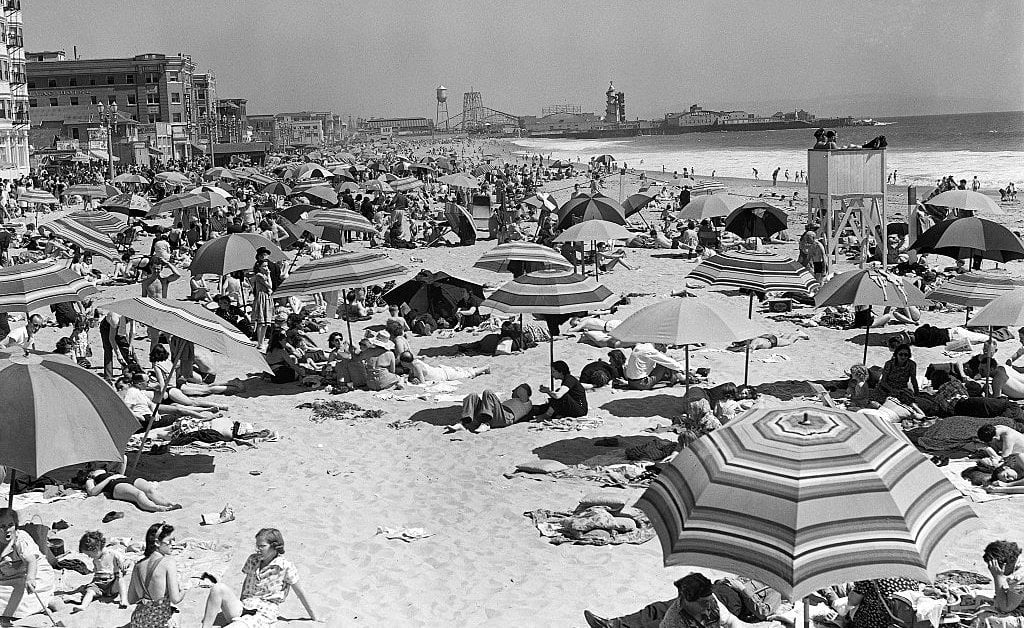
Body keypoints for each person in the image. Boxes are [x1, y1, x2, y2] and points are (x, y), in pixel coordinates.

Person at [200, 528, 316, 628]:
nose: (258, 549)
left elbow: (300, 593)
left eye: (262, 546)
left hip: (263, 613)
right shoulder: (253, 559)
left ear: (275, 546)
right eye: (257, 546)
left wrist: (314, 616)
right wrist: (240, 603)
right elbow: (246, 583)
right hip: (245, 607)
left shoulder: (286, 567)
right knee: (218, 588)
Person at [584, 572, 779, 628]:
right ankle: (615, 624)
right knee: (662, 607)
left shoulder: (776, 590)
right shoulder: (750, 572)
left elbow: (762, 611)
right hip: (713, 590)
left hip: (729, 603)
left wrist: (742, 589)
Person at [0, 507, 57, 619]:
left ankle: (47, 603)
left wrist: (31, 578)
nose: (7, 529)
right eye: (2, 526)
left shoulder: (20, 539)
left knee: (24, 597)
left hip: (34, 572)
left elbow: (31, 560)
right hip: (9, 576)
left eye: (10, 525)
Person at [127, 522, 185, 628]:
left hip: (138, 622)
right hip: (160, 622)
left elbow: (131, 600)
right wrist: (184, 590)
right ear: (157, 543)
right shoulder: (168, 563)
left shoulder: (138, 566)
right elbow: (175, 599)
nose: (173, 544)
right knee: (177, 614)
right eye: (169, 541)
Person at [85, 464, 182, 513]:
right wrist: (110, 478)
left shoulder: (109, 470)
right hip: (114, 484)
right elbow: (93, 492)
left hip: (125, 478)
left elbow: (123, 460)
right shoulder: (91, 479)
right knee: (139, 494)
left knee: (150, 490)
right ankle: (158, 508)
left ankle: (169, 504)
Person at [73, 530, 129, 611]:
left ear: (95, 549)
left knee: (120, 580)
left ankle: (123, 600)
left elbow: (125, 561)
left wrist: (123, 564)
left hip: (112, 583)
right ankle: (83, 606)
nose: (90, 557)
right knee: (90, 591)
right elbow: (97, 571)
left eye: (89, 554)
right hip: (98, 585)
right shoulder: (95, 560)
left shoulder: (113, 554)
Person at [848, 578, 925, 628]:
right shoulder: (912, 573)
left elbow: (852, 601)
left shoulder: (870, 574)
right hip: (906, 620)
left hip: (877, 621)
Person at [459, 383, 533, 432]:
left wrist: (516, 389)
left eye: (517, 390)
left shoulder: (526, 403)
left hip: (505, 417)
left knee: (488, 393)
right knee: (473, 396)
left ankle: (486, 423)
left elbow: (524, 389)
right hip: (495, 413)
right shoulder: (513, 400)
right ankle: (463, 423)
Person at [399, 352, 489, 384]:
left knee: (467, 374)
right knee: (461, 371)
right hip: (441, 371)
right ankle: (473, 368)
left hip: (445, 375)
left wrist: (416, 380)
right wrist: (412, 378)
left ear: (404, 362)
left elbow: (422, 382)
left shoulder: (416, 366)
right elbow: (412, 376)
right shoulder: (412, 364)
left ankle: (485, 367)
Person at [100, 309, 137, 381]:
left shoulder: (132, 315)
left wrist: (130, 346)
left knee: (126, 348)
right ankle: (108, 376)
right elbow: (111, 338)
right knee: (108, 349)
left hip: (119, 327)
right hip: (106, 327)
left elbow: (132, 332)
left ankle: (136, 371)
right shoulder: (115, 318)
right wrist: (118, 355)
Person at [251, 260, 274, 350]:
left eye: (267, 266)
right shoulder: (259, 275)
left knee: (265, 322)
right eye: (264, 266)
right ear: (259, 267)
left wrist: (268, 275)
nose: (266, 268)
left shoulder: (264, 275)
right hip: (261, 297)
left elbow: (270, 285)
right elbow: (269, 286)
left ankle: (262, 340)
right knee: (261, 321)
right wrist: (268, 275)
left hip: (266, 297)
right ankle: (260, 342)